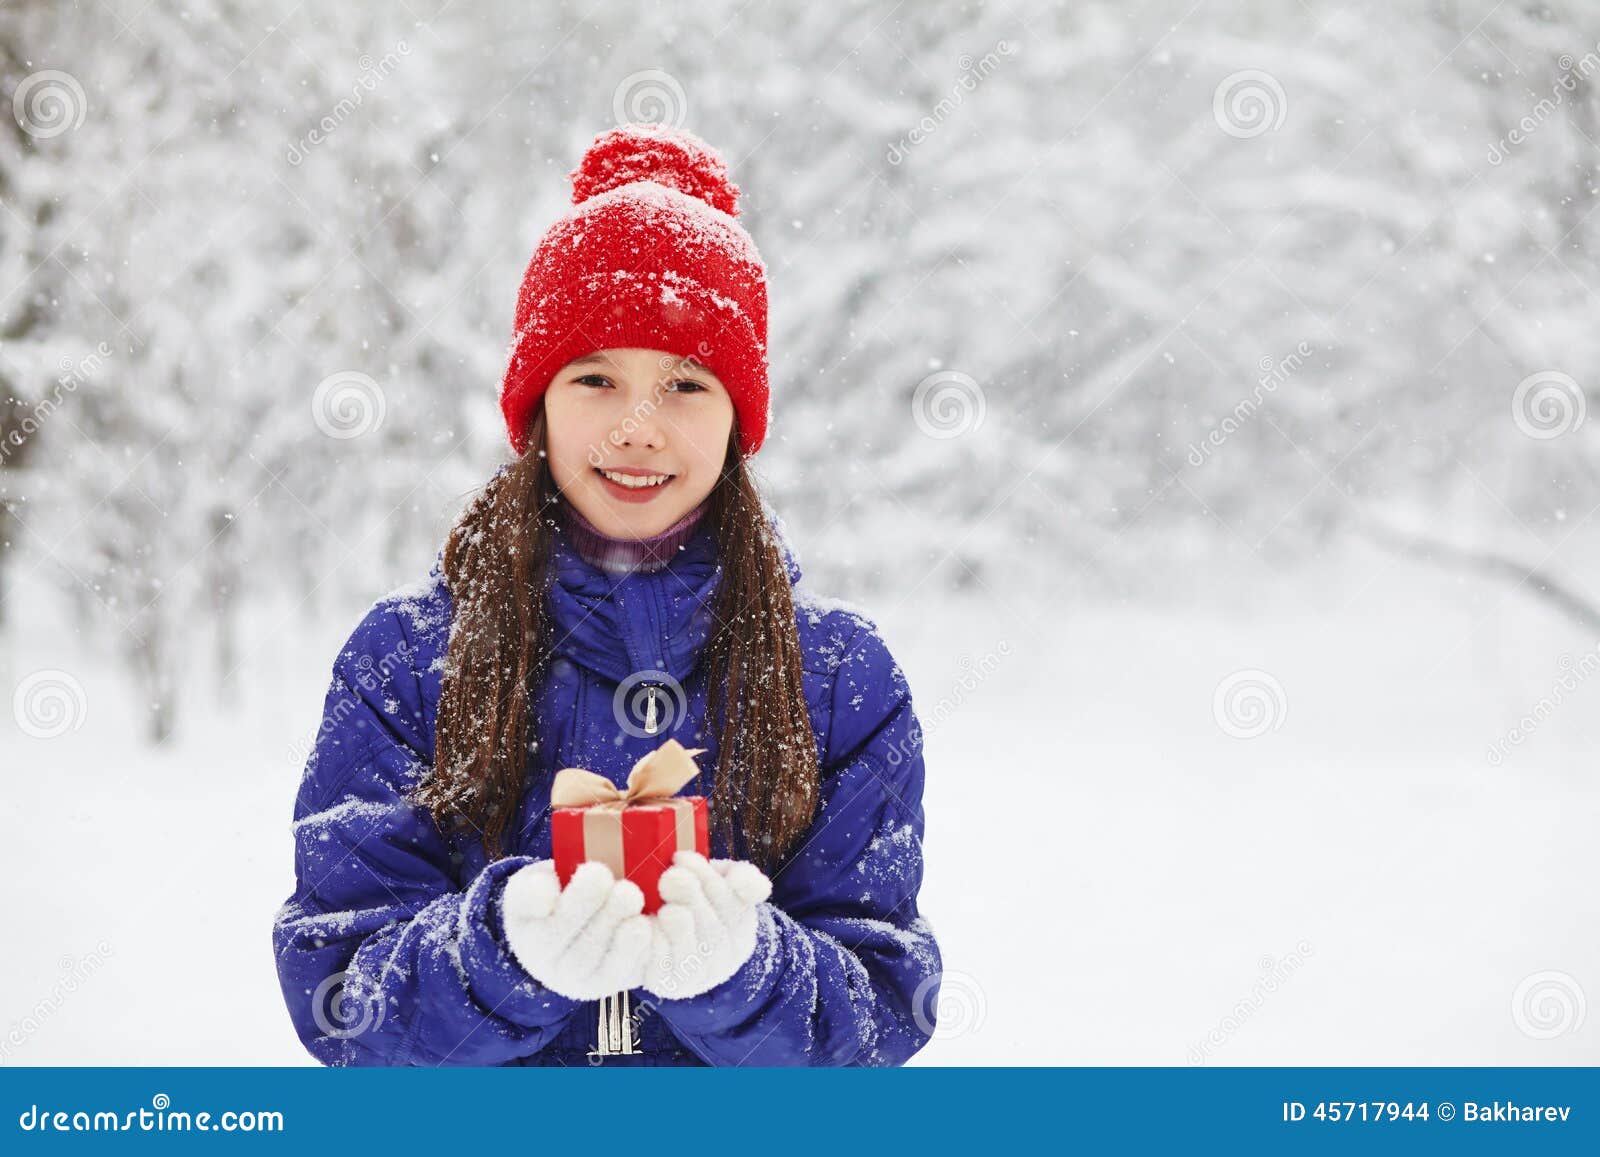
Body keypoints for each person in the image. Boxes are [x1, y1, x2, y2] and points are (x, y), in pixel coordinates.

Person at [271, 122, 941, 1066]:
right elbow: (336, 989)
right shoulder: (409, 658)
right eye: (595, 378)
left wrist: (747, 974)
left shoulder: (840, 677)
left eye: (685, 386)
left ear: (739, 419)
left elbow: (883, 1011)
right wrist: (500, 953)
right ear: (537, 400)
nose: (637, 428)